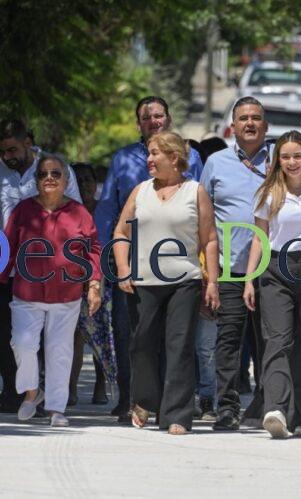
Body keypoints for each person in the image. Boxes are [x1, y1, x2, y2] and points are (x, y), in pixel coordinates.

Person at [95, 96, 205, 422]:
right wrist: (111, 259)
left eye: (158, 116)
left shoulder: (192, 157)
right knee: (134, 336)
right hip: (134, 263)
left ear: (168, 119)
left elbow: (201, 210)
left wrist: (205, 266)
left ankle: (172, 405)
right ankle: (135, 400)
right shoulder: (123, 159)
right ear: (138, 123)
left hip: (180, 265)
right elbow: (108, 210)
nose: (153, 121)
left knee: (177, 338)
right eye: (146, 117)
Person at [113, 131, 219, 435]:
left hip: (184, 280)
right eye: (148, 153)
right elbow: (121, 232)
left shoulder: (195, 191)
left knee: (179, 346)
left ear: (174, 158)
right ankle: (145, 399)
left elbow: (209, 239)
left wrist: (211, 281)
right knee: (142, 344)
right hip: (143, 280)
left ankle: (177, 415)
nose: (149, 159)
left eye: (155, 153)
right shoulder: (140, 191)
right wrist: (123, 268)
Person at [242, 131, 301, 438]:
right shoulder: (269, 192)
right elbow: (259, 238)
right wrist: (248, 279)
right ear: (278, 161)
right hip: (276, 267)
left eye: (298, 156)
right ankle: (276, 409)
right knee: (277, 339)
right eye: (286, 157)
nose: (292, 162)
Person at [0, 154, 102, 427]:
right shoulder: (23, 211)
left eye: (56, 174)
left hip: (66, 292)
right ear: (36, 181)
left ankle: (56, 409)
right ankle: (32, 392)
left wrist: (94, 284)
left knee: (59, 350)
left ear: (65, 180)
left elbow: (92, 249)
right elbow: (7, 246)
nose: (49, 178)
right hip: (26, 290)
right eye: (43, 174)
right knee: (21, 343)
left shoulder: (79, 213)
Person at [200, 96, 274, 431]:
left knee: (269, 340)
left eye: (256, 118)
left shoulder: (281, 160)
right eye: (243, 118)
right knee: (228, 339)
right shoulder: (216, 162)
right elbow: (203, 218)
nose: (250, 124)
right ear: (233, 124)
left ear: (265, 125)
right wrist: (208, 273)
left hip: (272, 268)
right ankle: (227, 407)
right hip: (229, 266)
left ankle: (265, 403)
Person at [0, 119, 82, 413]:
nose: (8, 156)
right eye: (3, 151)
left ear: (28, 141)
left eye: (12, 149)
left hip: (54, 270)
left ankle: (49, 396)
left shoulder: (54, 168)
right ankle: (19, 392)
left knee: (55, 341)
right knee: (13, 339)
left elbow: (76, 216)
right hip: (7, 268)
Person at [68, 163, 112, 407]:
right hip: (71, 280)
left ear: (96, 183)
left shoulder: (105, 210)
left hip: (102, 278)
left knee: (102, 332)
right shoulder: (67, 211)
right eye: (79, 179)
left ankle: (101, 385)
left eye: (88, 179)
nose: (84, 184)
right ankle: (70, 388)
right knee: (74, 336)